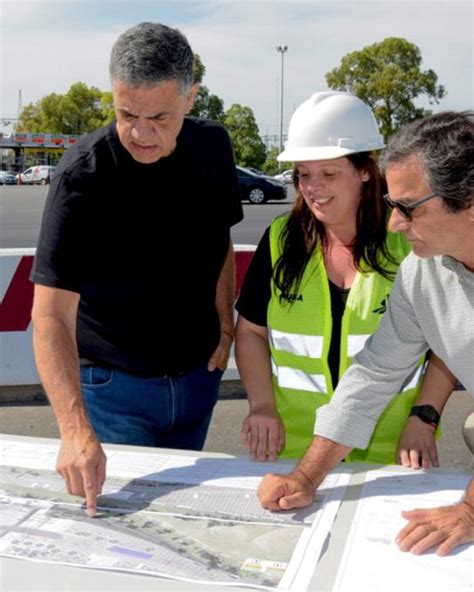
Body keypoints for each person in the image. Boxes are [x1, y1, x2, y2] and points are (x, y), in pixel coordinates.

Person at [30, 22, 243, 516]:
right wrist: (74, 429)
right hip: (112, 391)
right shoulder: (80, 177)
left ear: (191, 98)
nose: (141, 134)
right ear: (113, 95)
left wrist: (225, 323)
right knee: (120, 531)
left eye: (159, 117)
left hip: (198, 380)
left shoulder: (213, 147)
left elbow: (221, 240)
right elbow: (50, 317)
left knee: (178, 522)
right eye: (127, 114)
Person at [257, 110, 474, 557]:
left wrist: (469, 510)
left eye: (408, 208)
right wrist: (305, 477)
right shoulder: (421, 274)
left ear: (469, 201)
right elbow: (374, 374)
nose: (394, 223)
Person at [235, 91, 454, 465]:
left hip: (392, 456)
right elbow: (251, 331)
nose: (312, 188)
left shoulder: (408, 243)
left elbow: (447, 344)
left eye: (328, 174)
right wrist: (262, 406)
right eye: (303, 175)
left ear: (365, 171)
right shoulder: (280, 240)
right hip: (295, 454)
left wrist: (424, 416)